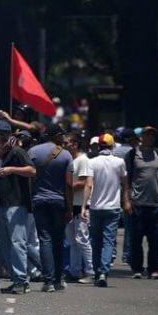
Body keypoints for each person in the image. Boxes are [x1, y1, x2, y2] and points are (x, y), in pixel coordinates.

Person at [0, 119, 37, 295]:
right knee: (7, 244)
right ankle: (16, 279)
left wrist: (11, 170)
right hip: (2, 203)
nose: (0, 137)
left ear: (9, 135)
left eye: (3, 134)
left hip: (16, 203)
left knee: (18, 243)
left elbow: (32, 171)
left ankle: (21, 280)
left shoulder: (18, 152)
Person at [28, 123, 74, 291]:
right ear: (55, 136)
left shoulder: (33, 152)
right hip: (58, 202)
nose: (63, 138)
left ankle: (48, 281)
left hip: (39, 200)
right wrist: (69, 208)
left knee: (45, 239)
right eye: (61, 135)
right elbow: (69, 184)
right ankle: (58, 279)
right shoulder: (66, 155)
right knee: (58, 239)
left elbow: (30, 177)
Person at [82, 133, 128, 287]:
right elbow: (125, 183)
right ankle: (103, 271)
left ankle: (96, 271)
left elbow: (88, 185)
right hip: (113, 207)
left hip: (96, 207)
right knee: (108, 241)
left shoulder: (92, 162)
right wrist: (126, 201)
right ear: (112, 146)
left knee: (96, 241)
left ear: (99, 146)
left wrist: (84, 206)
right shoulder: (119, 162)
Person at [123, 126, 158, 279]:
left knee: (155, 239)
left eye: (152, 135)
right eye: (147, 135)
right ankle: (137, 268)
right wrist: (127, 201)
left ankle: (154, 269)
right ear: (142, 137)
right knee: (136, 238)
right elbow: (126, 180)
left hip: (156, 203)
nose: (150, 138)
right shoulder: (132, 154)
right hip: (137, 202)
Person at [65, 133, 94, 284]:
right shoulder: (71, 160)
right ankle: (74, 270)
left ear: (75, 144)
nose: (65, 145)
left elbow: (83, 182)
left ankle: (90, 271)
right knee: (72, 241)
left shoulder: (83, 161)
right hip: (70, 205)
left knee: (83, 239)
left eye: (67, 142)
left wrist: (65, 189)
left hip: (80, 206)